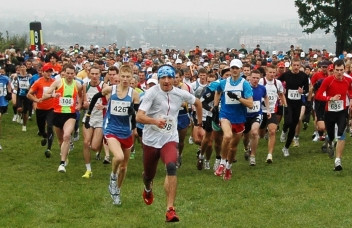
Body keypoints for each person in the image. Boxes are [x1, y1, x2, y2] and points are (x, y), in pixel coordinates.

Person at [136, 64, 202, 223]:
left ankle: (170, 209)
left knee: (171, 166)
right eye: (163, 78)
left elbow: (198, 103)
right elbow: (139, 117)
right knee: (148, 174)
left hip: (169, 138)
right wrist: (154, 121)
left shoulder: (179, 93)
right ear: (158, 79)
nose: (166, 81)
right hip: (151, 139)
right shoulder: (151, 93)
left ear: (175, 79)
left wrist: (198, 125)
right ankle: (147, 188)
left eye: (169, 77)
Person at [98, 69, 141, 205]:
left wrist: (133, 114)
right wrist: (101, 106)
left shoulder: (134, 94)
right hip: (111, 129)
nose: (125, 79)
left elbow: (136, 115)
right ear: (119, 76)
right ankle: (112, 176)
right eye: (123, 76)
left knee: (124, 166)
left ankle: (117, 191)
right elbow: (99, 97)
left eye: (128, 76)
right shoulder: (110, 89)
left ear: (131, 78)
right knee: (119, 157)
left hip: (126, 131)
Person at [212, 59, 254, 181]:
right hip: (225, 114)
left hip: (239, 118)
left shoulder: (245, 84)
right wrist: (215, 106)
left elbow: (250, 104)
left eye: (237, 68)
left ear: (241, 70)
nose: (234, 70)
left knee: (233, 147)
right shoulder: (224, 82)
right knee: (227, 136)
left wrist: (238, 98)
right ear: (230, 69)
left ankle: (229, 167)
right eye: (232, 68)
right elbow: (218, 91)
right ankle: (222, 164)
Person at [315, 59, 352, 170]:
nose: (339, 73)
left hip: (342, 111)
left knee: (341, 134)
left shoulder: (348, 80)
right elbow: (318, 95)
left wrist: (351, 100)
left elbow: (351, 90)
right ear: (333, 70)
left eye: (341, 70)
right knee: (331, 134)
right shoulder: (328, 80)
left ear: (345, 69)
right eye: (337, 70)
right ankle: (329, 140)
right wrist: (330, 98)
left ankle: (338, 161)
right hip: (329, 111)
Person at [47, 64, 84, 173]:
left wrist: (79, 104)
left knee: (67, 136)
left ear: (74, 74)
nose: (69, 75)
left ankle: (62, 164)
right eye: (67, 73)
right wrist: (53, 95)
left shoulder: (78, 85)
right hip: (57, 114)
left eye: (72, 73)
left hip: (70, 115)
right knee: (60, 140)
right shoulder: (58, 82)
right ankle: (64, 155)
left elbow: (81, 95)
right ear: (64, 73)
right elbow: (48, 92)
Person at [277, 59, 310, 157]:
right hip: (288, 102)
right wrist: (281, 91)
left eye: (297, 65)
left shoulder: (303, 76)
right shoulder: (286, 75)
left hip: (298, 103)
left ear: (300, 66)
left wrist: (302, 91)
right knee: (288, 121)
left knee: (294, 124)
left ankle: (286, 148)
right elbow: (278, 82)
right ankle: (283, 130)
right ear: (291, 66)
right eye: (294, 65)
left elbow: (307, 89)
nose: (296, 67)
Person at [28, 66, 58, 158]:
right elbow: (29, 94)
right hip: (40, 109)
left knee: (49, 126)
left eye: (50, 72)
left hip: (51, 108)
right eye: (47, 72)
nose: (49, 74)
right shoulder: (38, 82)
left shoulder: (54, 82)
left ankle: (48, 148)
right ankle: (45, 136)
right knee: (41, 130)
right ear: (43, 72)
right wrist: (36, 100)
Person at [11, 64, 35, 132]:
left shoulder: (29, 76)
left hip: (27, 95)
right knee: (18, 108)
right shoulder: (17, 76)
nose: (22, 68)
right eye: (21, 67)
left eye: (23, 67)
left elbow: (32, 83)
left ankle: (24, 125)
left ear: (26, 68)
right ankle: (19, 115)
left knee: (25, 112)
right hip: (19, 94)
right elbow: (13, 79)